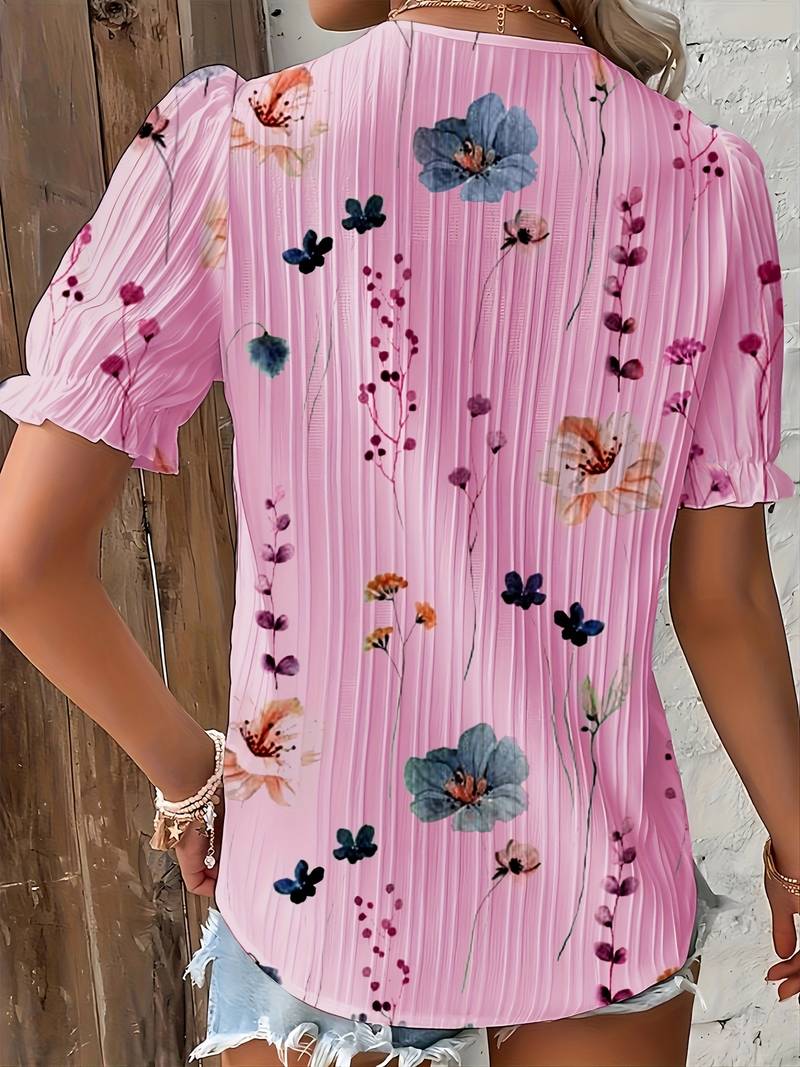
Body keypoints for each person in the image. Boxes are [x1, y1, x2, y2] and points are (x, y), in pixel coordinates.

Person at [0, 0, 797, 1064]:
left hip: (321, 908)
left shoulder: (235, 141)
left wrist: (194, 777)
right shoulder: (705, 179)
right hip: (600, 903)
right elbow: (723, 600)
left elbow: (22, 566)